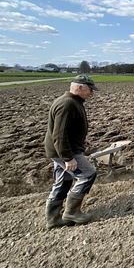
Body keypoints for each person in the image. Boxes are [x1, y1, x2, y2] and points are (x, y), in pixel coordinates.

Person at [44, 74, 98, 229]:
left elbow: (67, 131)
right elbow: (59, 135)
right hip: (65, 151)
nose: (91, 93)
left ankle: (53, 219)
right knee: (88, 174)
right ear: (80, 87)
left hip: (61, 150)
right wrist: (68, 158)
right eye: (90, 89)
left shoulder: (71, 101)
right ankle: (72, 212)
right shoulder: (67, 104)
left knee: (64, 181)